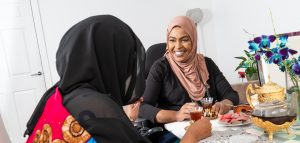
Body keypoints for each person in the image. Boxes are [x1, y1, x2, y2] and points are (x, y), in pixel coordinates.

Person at [24, 15, 211, 143]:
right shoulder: (97, 109)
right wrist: (193, 135)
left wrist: (128, 120)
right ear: (110, 61)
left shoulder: (59, 95)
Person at [140, 16, 239, 127]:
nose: (178, 46)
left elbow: (231, 95)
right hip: (176, 131)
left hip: (211, 126)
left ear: (193, 40)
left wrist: (225, 103)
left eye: (185, 40)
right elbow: (143, 107)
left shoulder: (207, 64)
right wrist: (176, 115)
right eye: (172, 40)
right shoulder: (160, 67)